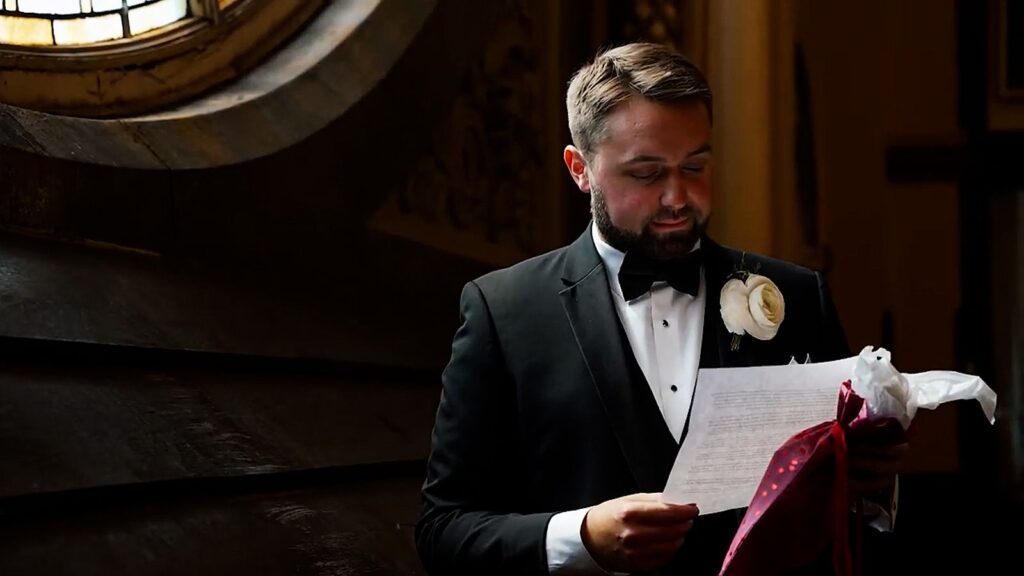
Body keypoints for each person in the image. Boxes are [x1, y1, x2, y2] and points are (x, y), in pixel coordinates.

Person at [415, 42, 907, 576]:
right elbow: (444, 529)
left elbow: (845, 513)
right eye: (646, 173)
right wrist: (579, 538)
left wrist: (871, 479)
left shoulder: (796, 296)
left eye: (695, 165)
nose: (677, 197)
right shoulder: (500, 310)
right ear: (580, 168)